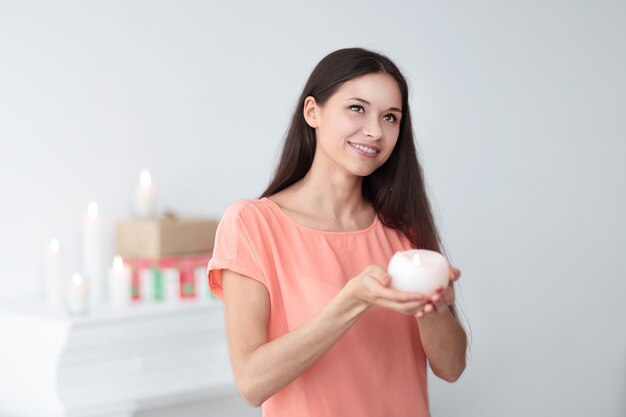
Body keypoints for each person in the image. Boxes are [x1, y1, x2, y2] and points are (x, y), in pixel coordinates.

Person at [207, 47, 467, 417]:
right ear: (313, 112)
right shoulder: (251, 224)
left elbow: (452, 368)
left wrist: (435, 308)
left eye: (390, 117)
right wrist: (353, 300)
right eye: (357, 109)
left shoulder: (402, 231)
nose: (375, 131)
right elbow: (252, 382)